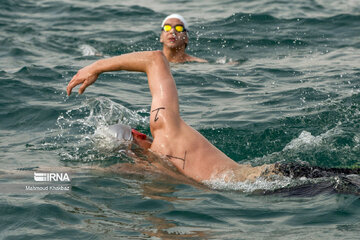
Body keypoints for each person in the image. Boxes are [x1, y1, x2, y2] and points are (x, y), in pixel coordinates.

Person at [66, 51, 360, 184]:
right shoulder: (162, 140)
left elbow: (157, 58)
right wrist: (98, 67)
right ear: (138, 133)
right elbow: (153, 61)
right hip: (274, 182)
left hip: (277, 182)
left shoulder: (154, 164)